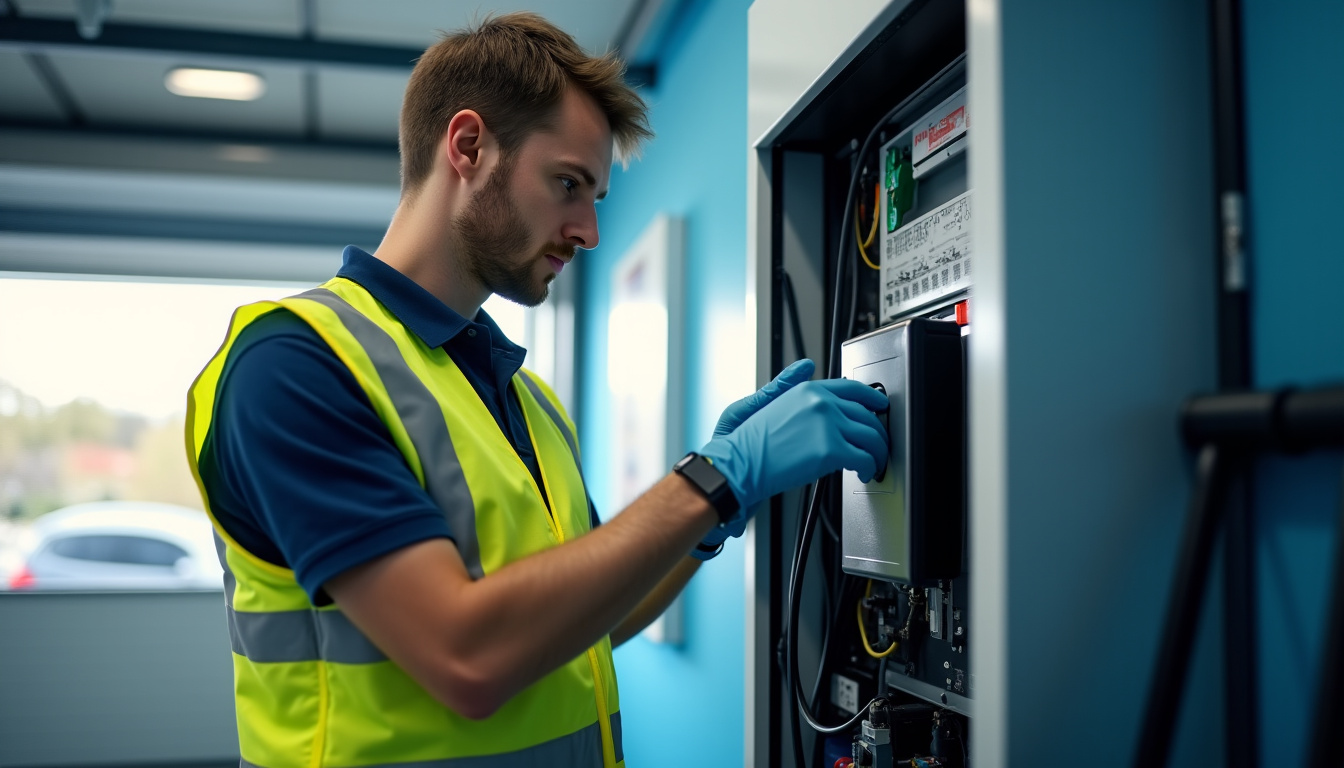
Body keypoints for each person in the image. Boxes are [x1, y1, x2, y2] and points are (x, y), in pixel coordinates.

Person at [185, 12, 889, 768]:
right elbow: (465, 655)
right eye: (568, 184)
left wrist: (715, 512)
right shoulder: (295, 364)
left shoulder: (527, 400)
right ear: (468, 147)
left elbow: (594, 623)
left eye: (595, 199)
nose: (588, 231)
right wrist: (715, 479)